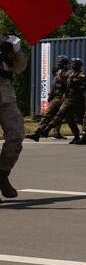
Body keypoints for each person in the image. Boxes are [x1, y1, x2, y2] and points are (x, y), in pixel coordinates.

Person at [1, 35, 28, 200]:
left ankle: (2, 175)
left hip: (6, 98)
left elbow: (19, 68)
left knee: (17, 136)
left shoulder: (6, 43)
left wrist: (17, 52)